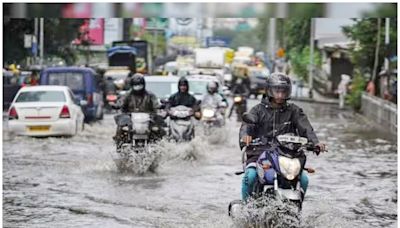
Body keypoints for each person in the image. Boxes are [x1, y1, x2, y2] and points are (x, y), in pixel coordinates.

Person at [239, 72, 327, 201]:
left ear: (288, 92)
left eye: (283, 92)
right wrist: (245, 136)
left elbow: (306, 128)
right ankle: (245, 207)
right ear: (269, 91)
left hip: (286, 155)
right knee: (251, 176)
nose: (280, 95)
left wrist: (315, 143)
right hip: (260, 154)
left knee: (303, 179)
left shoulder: (294, 111)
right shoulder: (257, 110)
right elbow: (246, 125)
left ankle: (297, 209)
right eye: (276, 91)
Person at [115, 73, 165, 141]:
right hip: (130, 117)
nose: (138, 87)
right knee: (121, 128)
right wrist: (117, 105)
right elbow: (121, 102)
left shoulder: (150, 95)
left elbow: (156, 103)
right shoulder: (127, 94)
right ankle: (119, 145)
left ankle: (160, 145)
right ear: (132, 85)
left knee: (159, 129)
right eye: (135, 85)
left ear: (143, 85)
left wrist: (160, 106)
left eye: (139, 85)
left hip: (148, 117)